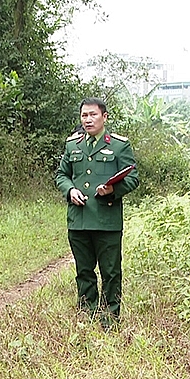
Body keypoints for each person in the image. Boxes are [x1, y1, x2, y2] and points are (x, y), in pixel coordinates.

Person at [55, 97, 139, 329]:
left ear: (104, 117)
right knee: (84, 271)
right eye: (84, 115)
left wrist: (113, 190)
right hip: (79, 220)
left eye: (93, 115)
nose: (88, 119)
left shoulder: (120, 145)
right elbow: (62, 174)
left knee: (110, 272)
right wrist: (70, 189)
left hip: (107, 221)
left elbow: (133, 177)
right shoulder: (73, 145)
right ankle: (87, 314)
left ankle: (110, 318)